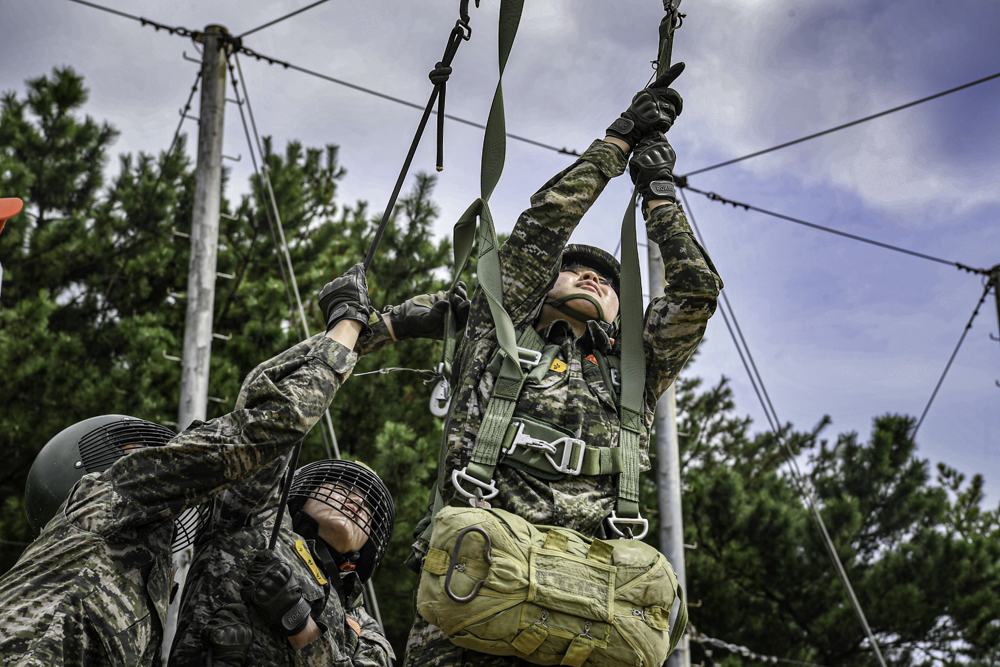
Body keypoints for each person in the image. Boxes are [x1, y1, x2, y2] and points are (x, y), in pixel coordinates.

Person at [403, 65, 723, 665]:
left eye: (607, 279)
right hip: (472, 607)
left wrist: (659, 195)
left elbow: (695, 292)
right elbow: (543, 226)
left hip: (588, 615)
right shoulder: (496, 332)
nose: (593, 276)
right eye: (576, 268)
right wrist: (620, 140)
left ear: (620, 306)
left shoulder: (635, 369)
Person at [0, 264, 375, 667]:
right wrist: (350, 324)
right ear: (83, 474)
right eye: (138, 453)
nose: (163, 456)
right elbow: (267, 424)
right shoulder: (107, 497)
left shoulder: (145, 586)